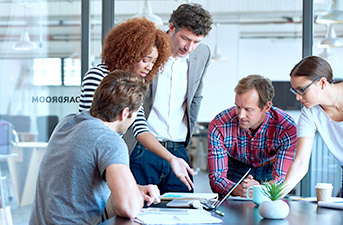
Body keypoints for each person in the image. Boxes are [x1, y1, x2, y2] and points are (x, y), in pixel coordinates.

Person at [78, 17, 195, 190]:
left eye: (154, 62)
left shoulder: (135, 85)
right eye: (145, 59)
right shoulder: (98, 75)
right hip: (93, 160)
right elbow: (90, 127)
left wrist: (172, 159)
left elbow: (140, 128)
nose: (149, 67)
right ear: (129, 52)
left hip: (111, 158)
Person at [30, 70, 160, 225]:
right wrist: (136, 197)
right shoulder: (110, 140)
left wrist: (135, 188)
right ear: (125, 113)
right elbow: (128, 208)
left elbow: (77, 182)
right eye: (137, 113)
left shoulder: (66, 124)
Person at [128, 3, 213, 194]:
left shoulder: (203, 54)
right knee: (140, 212)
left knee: (183, 213)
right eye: (185, 38)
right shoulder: (148, 51)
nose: (189, 47)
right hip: (143, 148)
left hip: (178, 148)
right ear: (172, 27)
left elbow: (196, 95)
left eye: (196, 41)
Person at [282, 56, 343, 198]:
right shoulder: (309, 113)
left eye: (301, 90)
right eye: (295, 91)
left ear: (322, 83)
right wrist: (277, 195)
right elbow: (300, 162)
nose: (298, 98)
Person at [207, 75, 297, 197]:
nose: (241, 115)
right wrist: (237, 190)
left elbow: (282, 179)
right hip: (236, 170)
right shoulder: (220, 125)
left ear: (266, 107)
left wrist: (260, 189)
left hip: (270, 171)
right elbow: (216, 178)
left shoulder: (286, 127)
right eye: (238, 107)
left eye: (248, 109)